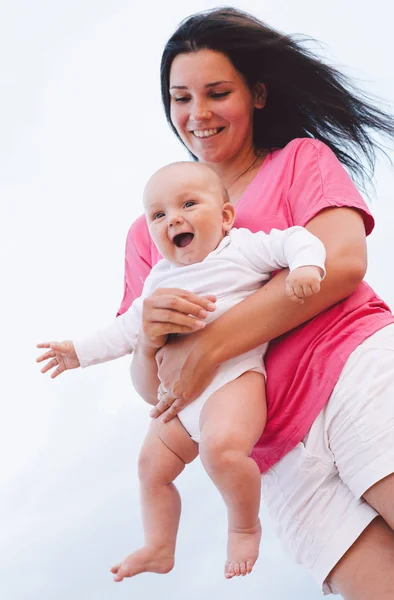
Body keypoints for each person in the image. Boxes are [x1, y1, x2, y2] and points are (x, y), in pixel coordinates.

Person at [114, 7, 394, 598]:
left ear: (258, 94)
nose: (198, 114)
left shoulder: (297, 160)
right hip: (270, 453)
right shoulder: (150, 233)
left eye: (218, 93)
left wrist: (213, 341)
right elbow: (156, 387)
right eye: (181, 97)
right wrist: (148, 339)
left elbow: (341, 261)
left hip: (351, 374)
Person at [36, 160, 326, 581]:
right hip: (180, 401)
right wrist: (78, 352)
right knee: (150, 469)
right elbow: (125, 330)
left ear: (225, 217)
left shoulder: (240, 248)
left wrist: (305, 267)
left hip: (234, 380)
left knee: (222, 451)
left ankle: (245, 526)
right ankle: (159, 546)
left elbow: (296, 239)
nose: (174, 219)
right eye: (158, 215)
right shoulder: (158, 279)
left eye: (188, 204)